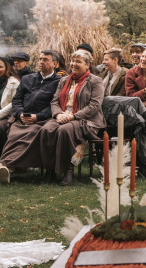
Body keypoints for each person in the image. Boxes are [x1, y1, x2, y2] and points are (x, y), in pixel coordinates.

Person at [0, 51, 61, 184]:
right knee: (14, 134)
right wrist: (20, 113)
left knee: (28, 134)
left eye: (45, 60)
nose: (41, 62)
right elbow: (16, 100)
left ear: (55, 64)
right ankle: (7, 166)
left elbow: (56, 104)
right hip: (22, 118)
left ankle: (5, 165)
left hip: (41, 120)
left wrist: (37, 117)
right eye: (40, 59)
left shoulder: (59, 82)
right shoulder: (28, 79)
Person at [34, 49, 105, 185]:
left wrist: (73, 116)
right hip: (63, 116)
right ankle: (50, 170)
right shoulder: (64, 80)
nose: (73, 64)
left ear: (87, 65)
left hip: (86, 120)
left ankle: (68, 170)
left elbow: (94, 106)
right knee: (46, 129)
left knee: (64, 130)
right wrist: (58, 114)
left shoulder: (95, 81)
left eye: (78, 61)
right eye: (72, 61)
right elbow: (54, 101)